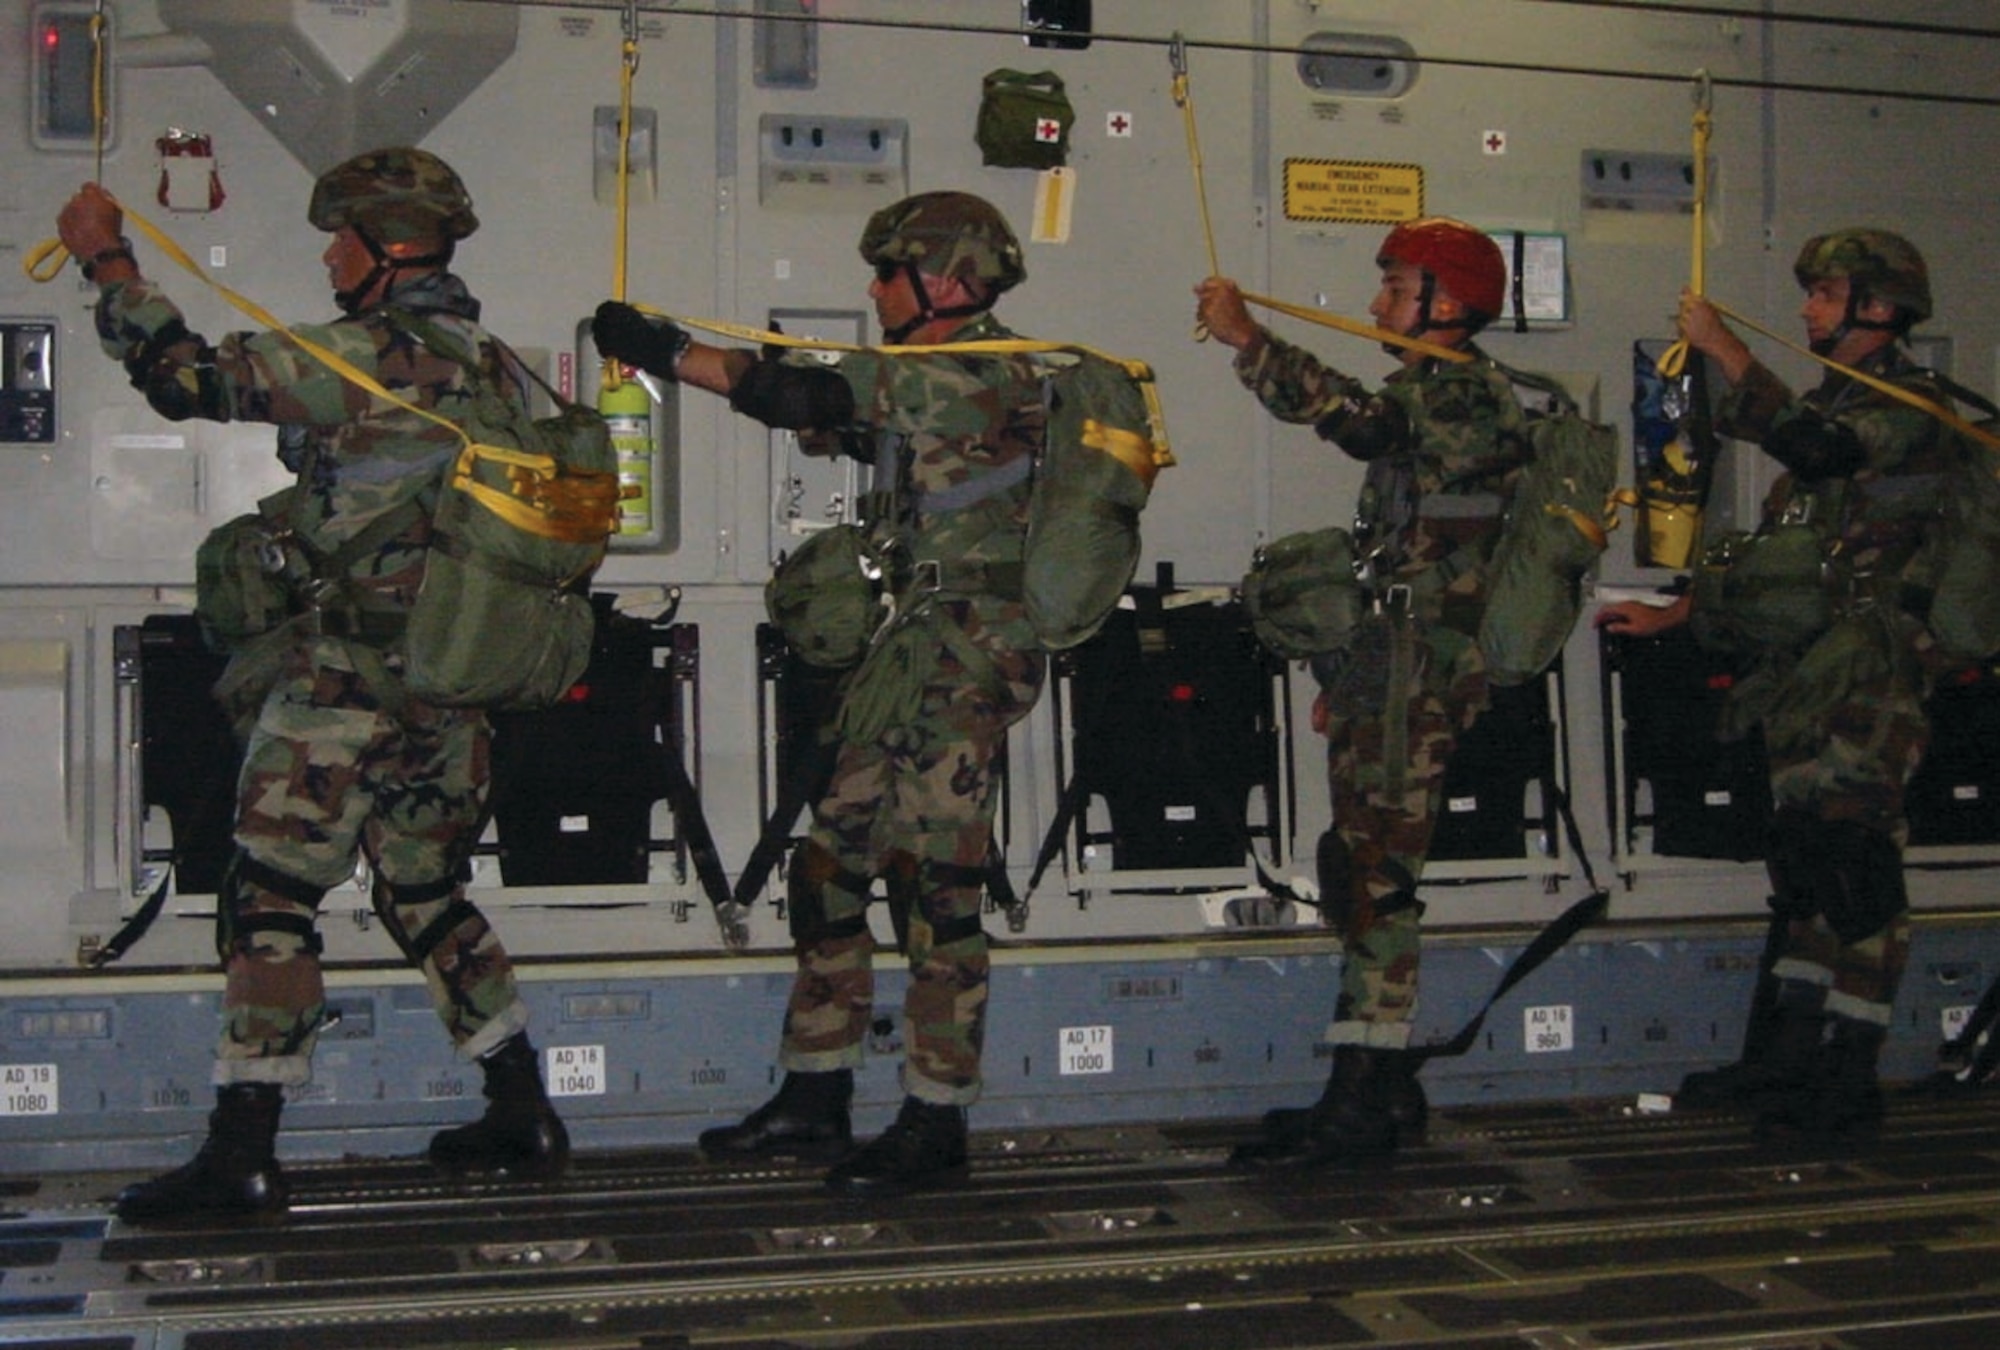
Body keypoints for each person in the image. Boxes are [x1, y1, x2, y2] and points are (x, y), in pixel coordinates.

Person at [57, 148, 569, 1222]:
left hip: (345, 683)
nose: (329, 255)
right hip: (450, 682)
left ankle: (243, 1149)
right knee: (422, 890)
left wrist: (108, 259)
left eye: (341, 237)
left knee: (270, 894)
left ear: (386, 245)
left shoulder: (371, 351)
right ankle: (521, 1104)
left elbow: (185, 377)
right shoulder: (503, 366)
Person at [593, 191, 1054, 1197]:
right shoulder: (930, 384)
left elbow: (794, 396)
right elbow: (879, 446)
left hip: (962, 665)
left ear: (940, 281)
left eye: (886, 271)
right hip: (906, 658)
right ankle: (815, 1091)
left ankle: (935, 1120)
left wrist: (665, 350)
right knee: (830, 866)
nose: (873, 288)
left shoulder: (976, 370)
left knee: (937, 889)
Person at [1596, 229, 1956, 1146]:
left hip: (1870, 672)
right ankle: (1789, 1054)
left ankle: (1849, 1072)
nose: (1808, 310)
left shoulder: (1904, 405)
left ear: (1878, 308)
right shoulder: (1840, 412)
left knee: (1855, 862)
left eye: (1826, 295)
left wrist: (1726, 351)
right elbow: (1789, 566)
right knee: (1803, 864)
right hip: (1810, 668)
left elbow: (1819, 445)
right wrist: (1678, 617)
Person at [1195, 218, 1530, 1168]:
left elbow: (1361, 425)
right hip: (1393, 668)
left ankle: (1361, 1100)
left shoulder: (1462, 393)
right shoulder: (1436, 394)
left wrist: (1254, 342)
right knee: (1363, 866)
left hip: (1422, 674)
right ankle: (1378, 1093)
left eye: (1395, 289)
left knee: (1380, 880)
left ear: (1449, 304)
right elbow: (1399, 559)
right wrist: (1347, 679)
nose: (1379, 306)